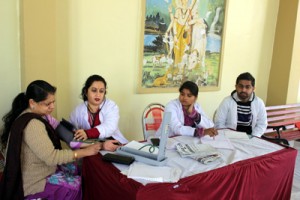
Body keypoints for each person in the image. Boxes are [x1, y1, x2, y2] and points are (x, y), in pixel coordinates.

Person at [0, 80, 103, 200]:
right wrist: (86, 151)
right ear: (32, 102)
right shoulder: (33, 124)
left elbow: (69, 138)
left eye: (53, 102)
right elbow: (52, 157)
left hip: (42, 168)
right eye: (47, 104)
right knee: (78, 184)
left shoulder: (41, 116)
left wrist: (97, 145)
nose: (52, 107)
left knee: (77, 168)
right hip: (34, 181)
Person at [69, 74, 128, 145]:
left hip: (113, 143)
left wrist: (87, 133)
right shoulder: (78, 110)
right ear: (86, 91)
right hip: (90, 146)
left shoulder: (111, 106)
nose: (98, 95)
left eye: (101, 91)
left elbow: (110, 126)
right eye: (94, 90)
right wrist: (76, 133)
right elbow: (71, 128)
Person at [214, 72, 267, 137]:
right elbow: (219, 123)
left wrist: (253, 136)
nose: (243, 90)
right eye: (240, 86)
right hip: (230, 137)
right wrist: (230, 136)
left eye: (247, 87)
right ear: (236, 87)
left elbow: (262, 124)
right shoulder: (227, 101)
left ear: (253, 89)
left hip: (251, 138)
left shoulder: (259, 103)